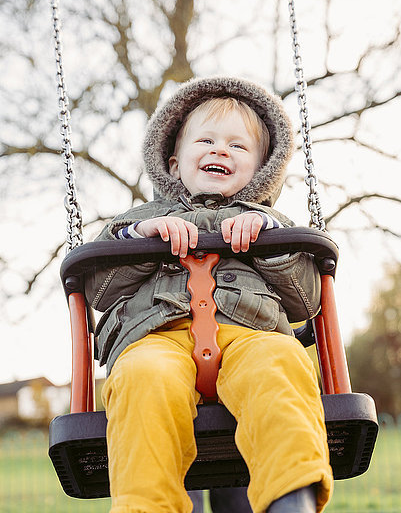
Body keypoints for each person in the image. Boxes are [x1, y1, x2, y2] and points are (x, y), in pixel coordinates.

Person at [86, 77, 334, 513]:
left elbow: (307, 300)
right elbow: (99, 289)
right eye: (207, 140)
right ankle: (148, 506)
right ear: (174, 161)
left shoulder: (273, 224)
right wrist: (142, 238)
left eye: (238, 147)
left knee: (282, 364)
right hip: (157, 337)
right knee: (141, 378)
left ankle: (290, 497)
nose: (221, 150)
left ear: (260, 170)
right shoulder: (139, 220)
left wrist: (273, 243)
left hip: (251, 334)